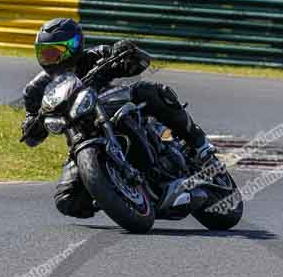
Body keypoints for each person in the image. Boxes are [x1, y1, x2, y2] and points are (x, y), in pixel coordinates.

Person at [21, 18, 215, 218]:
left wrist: (126, 52)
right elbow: (31, 135)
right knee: (67, 200)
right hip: (81, 137)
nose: (49, 59)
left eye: (55, 53)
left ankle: (199, 144)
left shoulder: (95, 57)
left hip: (114, 109)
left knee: (149, 91)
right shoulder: (36, 90)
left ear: (74, 47)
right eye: (44, 53)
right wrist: (31, 126)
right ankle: (121, 192)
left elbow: (140, 62)